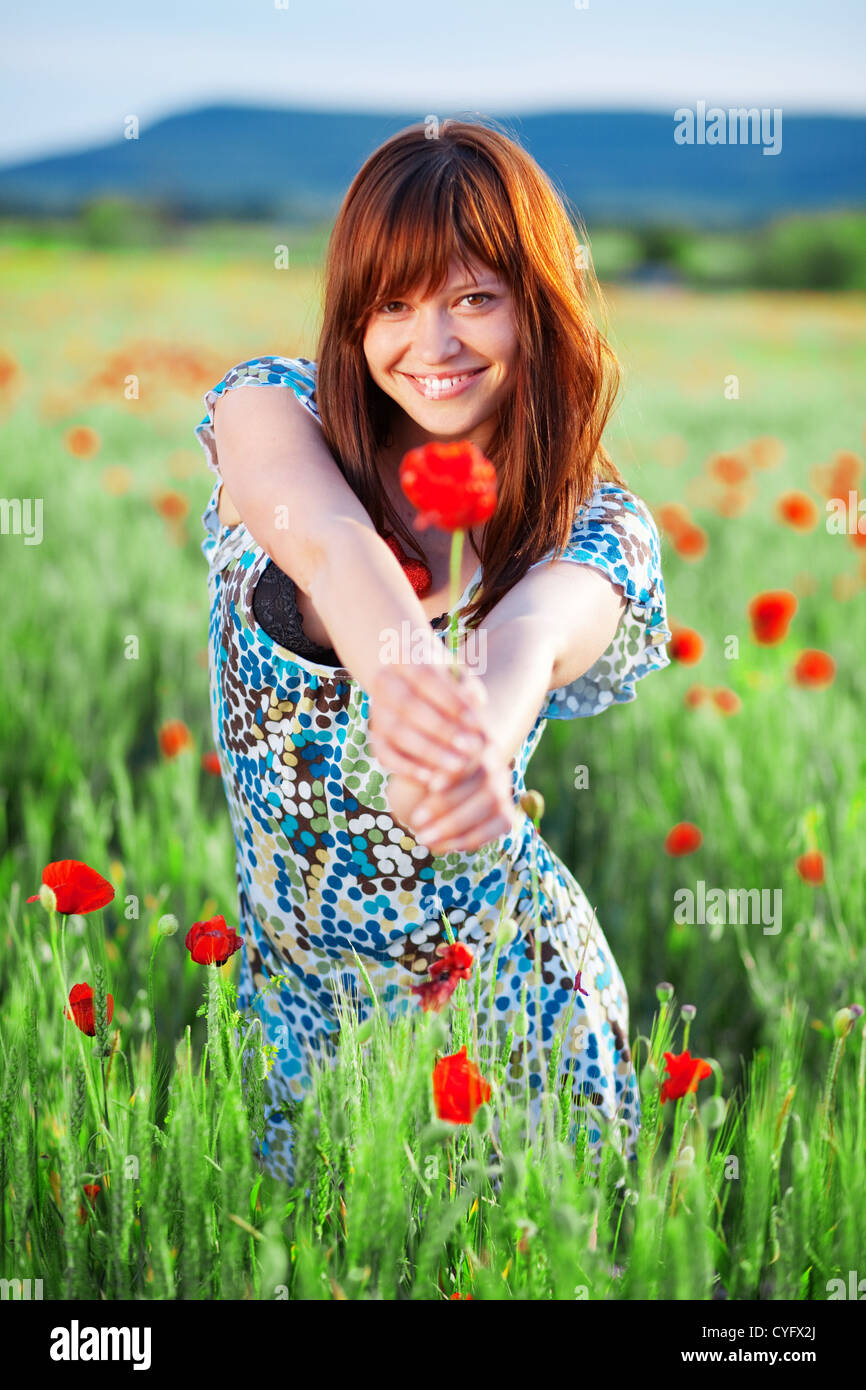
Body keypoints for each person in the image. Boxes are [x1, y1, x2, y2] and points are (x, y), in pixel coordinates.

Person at [194, 117, 671, 1183]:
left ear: (535, 305)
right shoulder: (274, 410)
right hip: (296, 1003)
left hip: (508, 1006)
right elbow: (325, 539)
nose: (433, 342)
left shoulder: (594, 529)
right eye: (393, 303)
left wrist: (471, 742)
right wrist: (405, 668)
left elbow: (534, 632)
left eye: (472, 297)